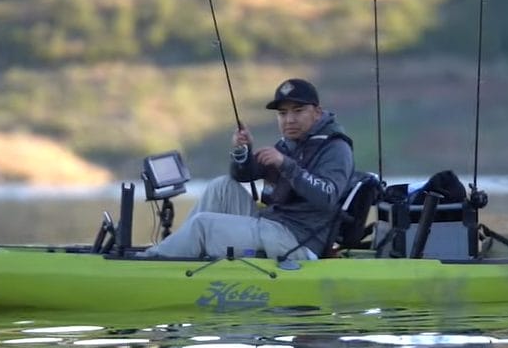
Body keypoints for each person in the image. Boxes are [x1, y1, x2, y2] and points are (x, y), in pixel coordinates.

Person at [141, 78, 354, 261]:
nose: (289, 119)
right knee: (221, 186)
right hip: (272, 224)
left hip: (297, 241)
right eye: (282, 113)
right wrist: (242, 151)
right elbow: (244, 175)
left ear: (317, 112)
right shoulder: (290, 144)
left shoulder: (335, 148)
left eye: (298, 111)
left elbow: (328, 196)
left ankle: (152, 261)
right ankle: (177, 253)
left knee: (202, 225)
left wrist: (285, 165)